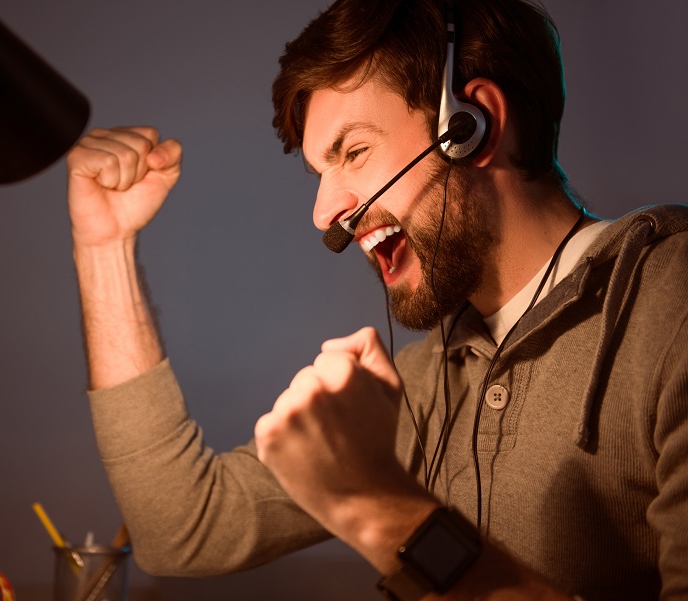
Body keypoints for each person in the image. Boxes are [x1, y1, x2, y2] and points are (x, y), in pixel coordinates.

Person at [65, 0, 688, 598]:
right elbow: (182, 529)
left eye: (355, 152)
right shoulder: (418, 384)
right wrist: (104, 245)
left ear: (471, 127)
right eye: (320, 174)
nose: (323, 214)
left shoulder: (671, 308)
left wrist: (376, 505)